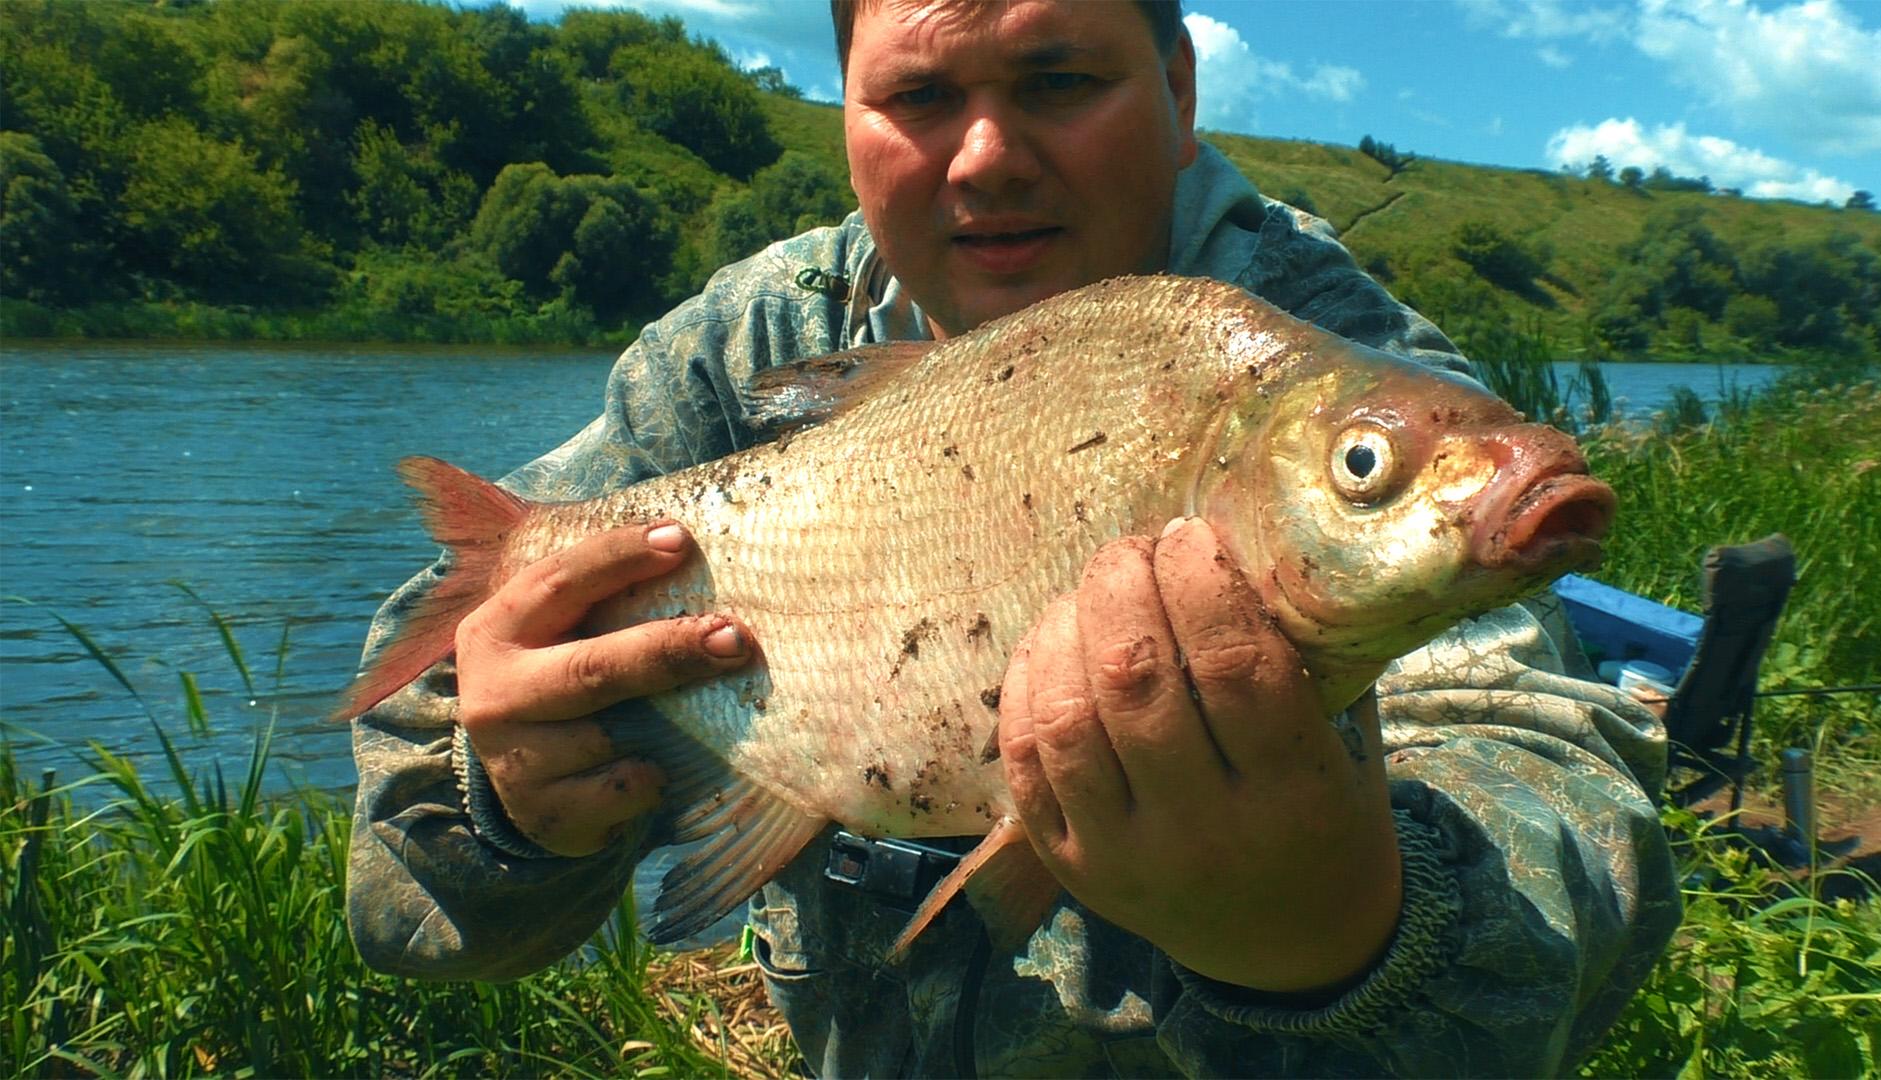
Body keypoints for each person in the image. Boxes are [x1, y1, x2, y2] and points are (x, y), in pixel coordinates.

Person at [347, 1, 1681, 1074]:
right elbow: (410, 891)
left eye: (1057, 79)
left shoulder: (1342, 373)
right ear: (849, 115)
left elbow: (1551, 787)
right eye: (917, 98)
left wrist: (1340, 933)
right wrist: (506, 810)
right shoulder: (744, 347)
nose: (983, 155)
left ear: (1178, 88)